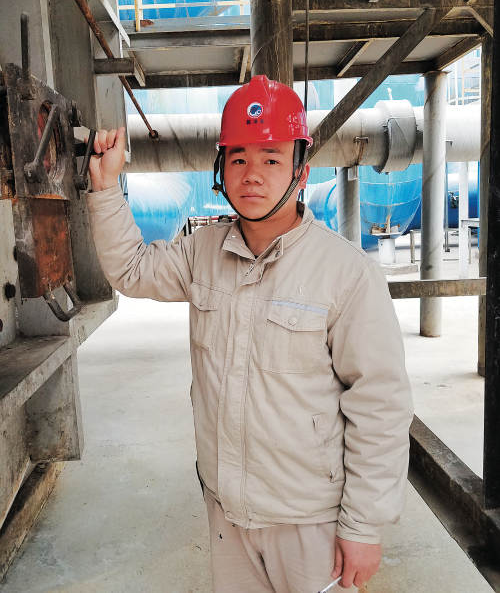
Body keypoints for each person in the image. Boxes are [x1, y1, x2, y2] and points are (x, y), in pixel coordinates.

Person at [86, 75, 413, 592]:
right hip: (228, 513)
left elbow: (380, 405)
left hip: (310, 520)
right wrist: (106, 189)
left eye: (271, 159)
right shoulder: (202, 253)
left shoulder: (346, 273)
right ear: (221, 169)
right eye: (238, 158)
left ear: (301, 172)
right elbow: (131, 269)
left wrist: (363, 526)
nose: (252, 175)